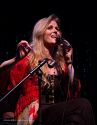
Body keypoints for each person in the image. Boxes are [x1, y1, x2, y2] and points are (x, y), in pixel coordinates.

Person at [0, 14, 96, 125]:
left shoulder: (61, 64)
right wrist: (16, 59)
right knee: (83, 105)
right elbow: (2, 76)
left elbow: (74, 90)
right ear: (40, 33)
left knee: (76, 119)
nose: (55, 31)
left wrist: (69, 61)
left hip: (57, 112)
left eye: (57, 29)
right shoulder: (29, 60)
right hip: (34, 115)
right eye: (50, 28)